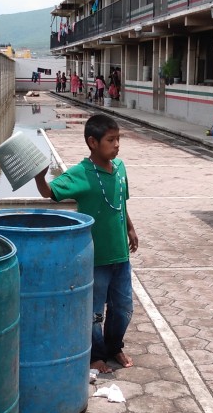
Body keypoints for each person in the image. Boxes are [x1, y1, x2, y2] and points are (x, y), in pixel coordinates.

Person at [34, 114, 139, 373]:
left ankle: (115, 346)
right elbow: (50, 193)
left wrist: (130, 228)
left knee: (123, 305)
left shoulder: (120, 168)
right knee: (94, 312)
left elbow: (120, 203)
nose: (117, 145)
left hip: (120, 255)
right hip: (96, 258)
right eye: (110, 140)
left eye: (118, 139)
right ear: (93, 142)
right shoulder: (80, 174)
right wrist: (39, 178)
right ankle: (96, 353)